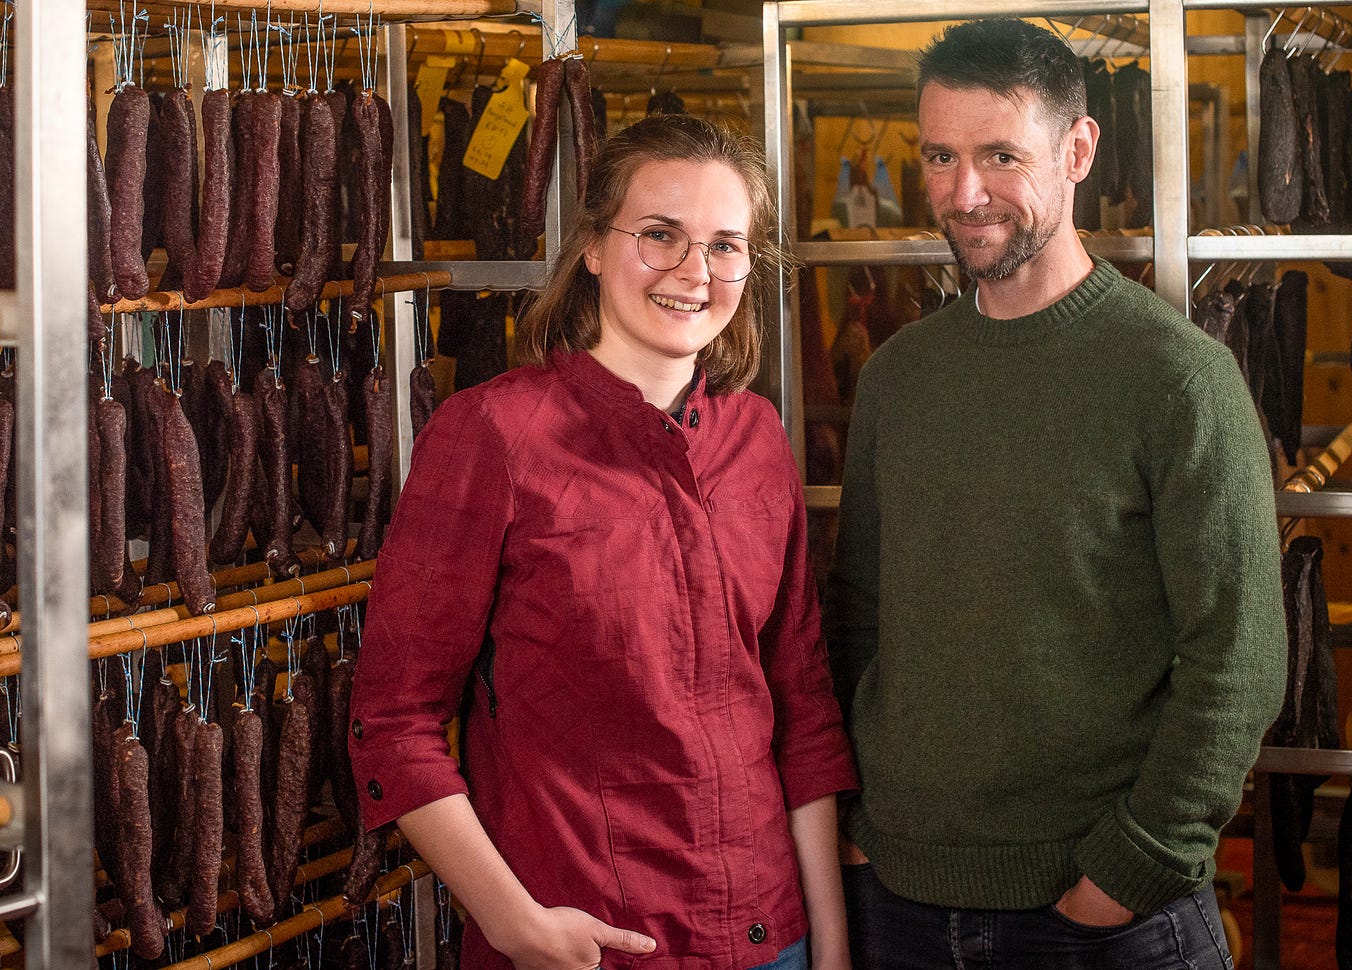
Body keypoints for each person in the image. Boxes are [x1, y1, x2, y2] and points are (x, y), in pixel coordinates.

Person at [825, 19, 1286, 970]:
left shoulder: (1178, 379)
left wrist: (1137, 863)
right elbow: (861, 616)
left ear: (1077, 151)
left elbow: (1238, 657)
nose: (965, 192)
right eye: (941, 155)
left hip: (1102, 917)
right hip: (898, 898)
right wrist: (861, 821)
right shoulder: (898, 377)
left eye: (1001, 155)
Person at [349, 113, 859, 970]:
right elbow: (392, 721)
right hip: (587, 942)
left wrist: (833, 946)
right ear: (591, 245)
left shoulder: (759, 435)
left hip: (773, 939)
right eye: (659, 235)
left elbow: (799, 702)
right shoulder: (493, 435)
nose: (694, 273)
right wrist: (515, 925)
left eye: (725, 245)